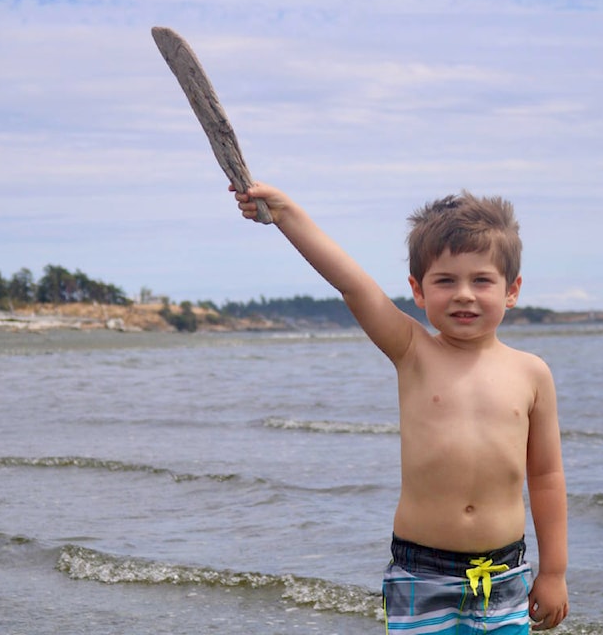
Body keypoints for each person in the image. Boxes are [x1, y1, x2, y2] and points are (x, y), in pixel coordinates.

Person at [232, 182, 569, 632]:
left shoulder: (532, 373)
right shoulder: (412, 350)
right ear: (418, 289)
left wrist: (553, 572)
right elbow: (352, 284)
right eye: (445, 280)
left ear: (512, 290)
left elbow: (546, 476)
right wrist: (286, 214)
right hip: (421, 571)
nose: (464, 294)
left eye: (482, 280)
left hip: (504, 573)